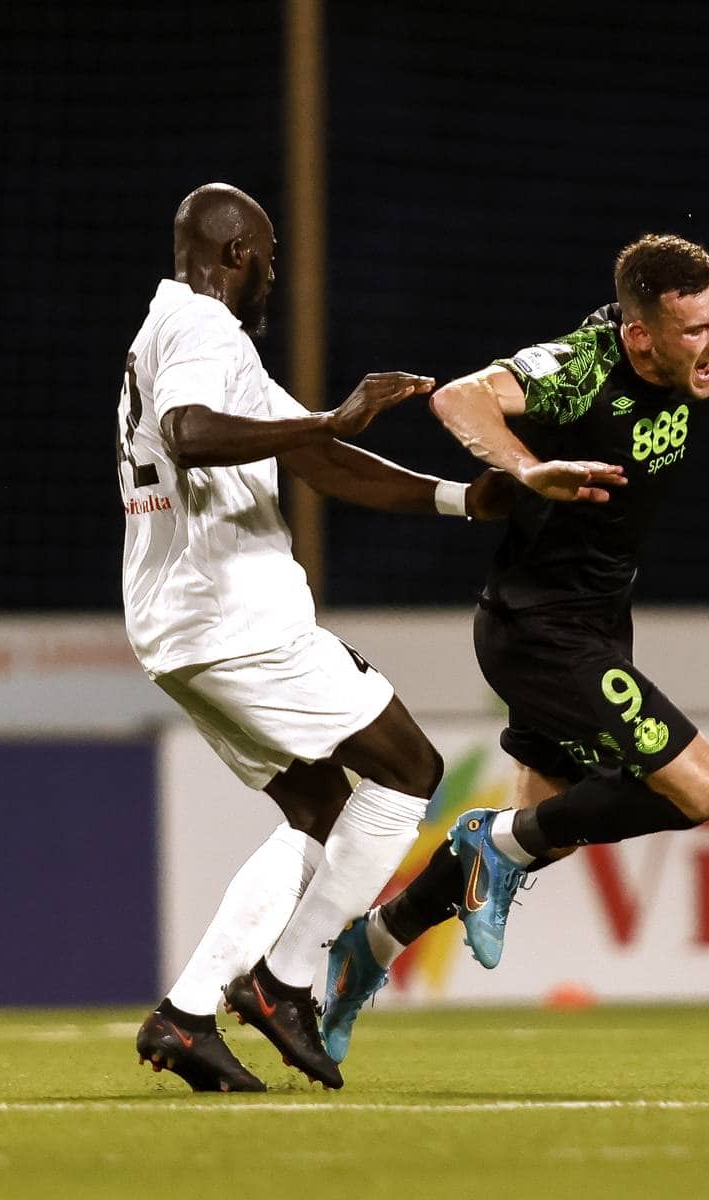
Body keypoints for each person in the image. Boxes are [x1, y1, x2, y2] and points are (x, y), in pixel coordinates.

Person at [319, 233, 709, 1060]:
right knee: (702, 791)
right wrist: (523, 468)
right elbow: (460, 401)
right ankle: (483, 845)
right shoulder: (581, 366)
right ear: (638, 335)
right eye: (693, 332)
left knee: (543, 825)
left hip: (591, 622)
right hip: (541, 632)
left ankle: (365, 951)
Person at [122, 183, 511, 1093]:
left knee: (321, 811)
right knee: (410, 770)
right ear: (232, 256)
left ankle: (184, 1016)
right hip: (234, 618)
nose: (272, 276)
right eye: (266, 258)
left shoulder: (170, 330)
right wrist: (331, 414)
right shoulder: (204, 332)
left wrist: (455, 498)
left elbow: (312, 457)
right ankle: (285, 981)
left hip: (179, 628)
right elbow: (187, 432)